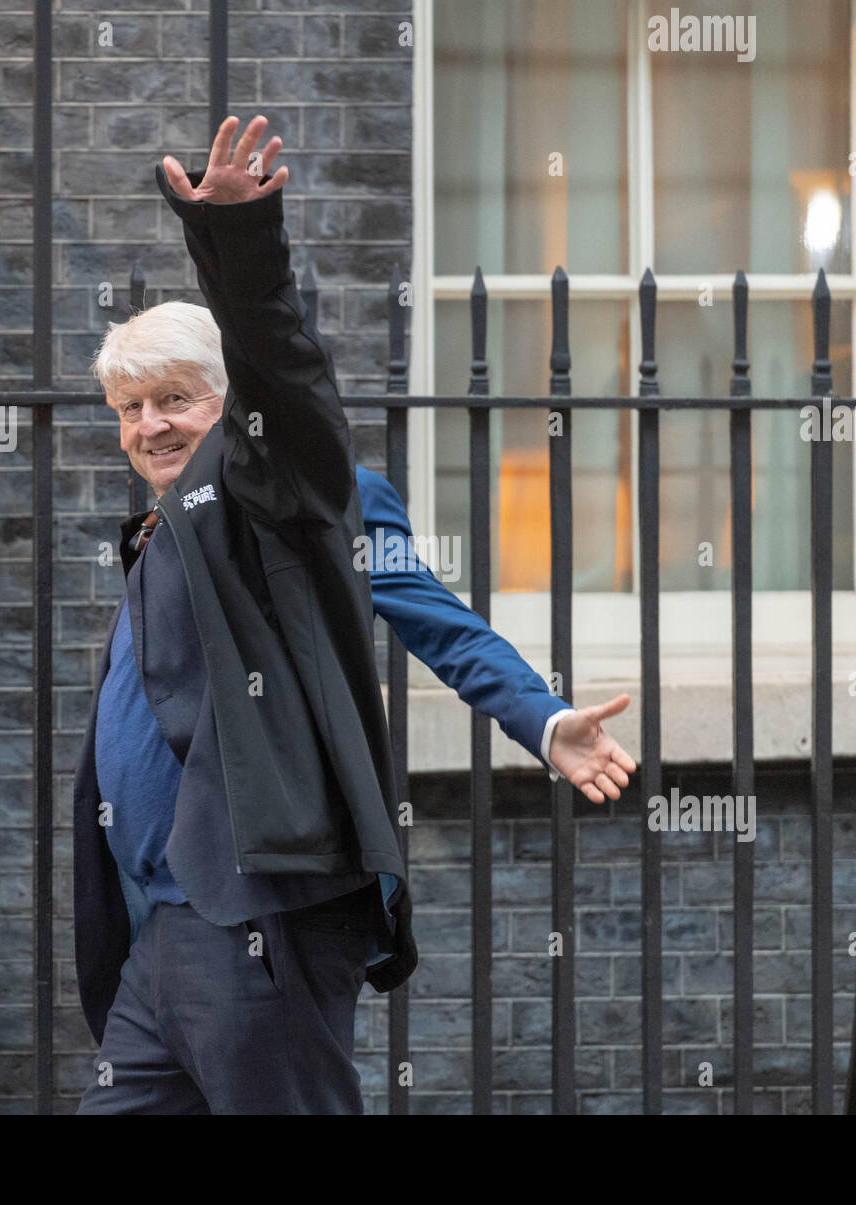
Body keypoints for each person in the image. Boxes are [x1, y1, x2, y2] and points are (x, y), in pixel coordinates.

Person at [73, 115, 635, 1115]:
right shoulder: (162, 526)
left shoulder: (291, 489)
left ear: (228, 403)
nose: (148, 424)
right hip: (160, 927)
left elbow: (435, 618)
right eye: (129, 408)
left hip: (258, 914)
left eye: (172, 399)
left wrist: (543, 720)